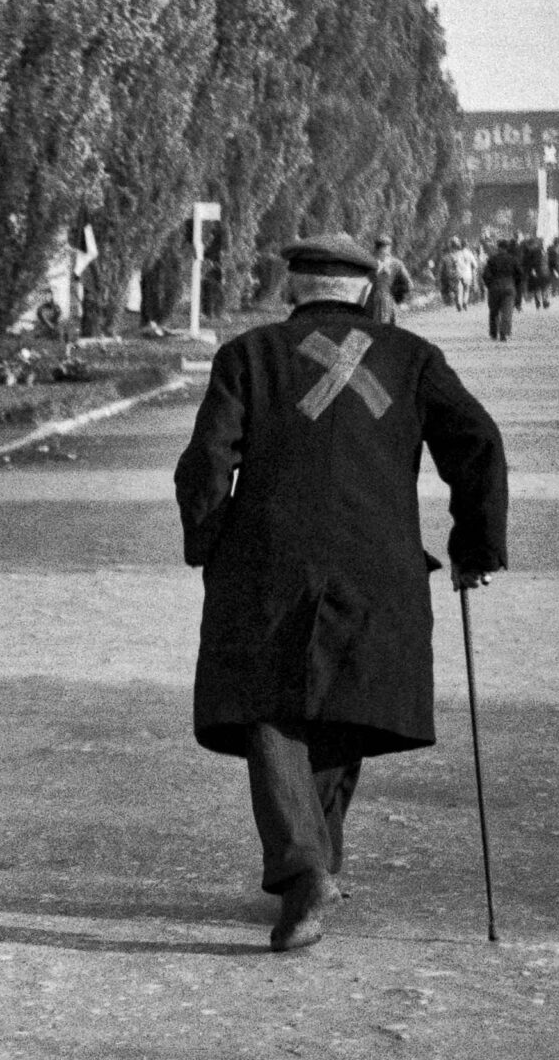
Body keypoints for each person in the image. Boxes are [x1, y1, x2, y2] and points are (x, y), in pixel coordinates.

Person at [173, 232, 508, 952]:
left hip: (268, 565)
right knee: (338, 711)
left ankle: (304, 870)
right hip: (377, 568)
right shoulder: (411, 359)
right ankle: (312, 865)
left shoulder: (249, 355)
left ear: (293, 286)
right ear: (363, 289)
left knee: (269, 708)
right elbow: (478, 441)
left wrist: (209, 543)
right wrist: (473, 546)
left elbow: (205, 464)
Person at [481, 236, 523, 341]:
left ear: (498, 247)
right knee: (507, 311)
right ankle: (504, 332)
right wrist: (516, 285)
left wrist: (490, 285)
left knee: (494, 311)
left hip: (495, 287)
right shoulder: (513, 260)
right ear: (507, 248)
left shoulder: (492, 260)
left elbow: (485, 275)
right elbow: (520, 275)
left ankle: (494, 332)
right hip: (509, 287)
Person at [368, 235, 412, 327]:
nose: (385, 251)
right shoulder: (369, 263)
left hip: (386, 301)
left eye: (385, 248)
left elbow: (408, 284)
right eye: (383, 248)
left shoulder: (396, 264)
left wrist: (400, 298)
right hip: (371, 302)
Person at [435, 237, 466, 311]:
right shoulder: (459, 255)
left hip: (448, 275)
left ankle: (450, 302)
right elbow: (463, 266)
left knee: (449, 290)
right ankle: (457, 301)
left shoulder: (445, 257)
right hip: (457, 274)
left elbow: (440, 268)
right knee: (457, 289)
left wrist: (438, 277)